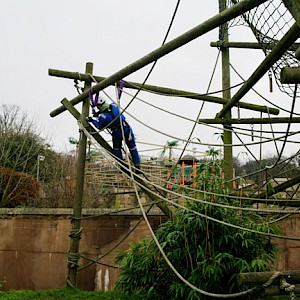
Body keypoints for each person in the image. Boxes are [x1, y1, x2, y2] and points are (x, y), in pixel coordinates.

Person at [86, 94, 141, 171]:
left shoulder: (103, 116)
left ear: (99, 105)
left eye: (98, 106)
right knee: (132, 148)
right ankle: (137, 166)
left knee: (117, 149)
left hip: (117, 133)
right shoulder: (113, 106)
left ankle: (123, 166)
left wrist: (92, 120)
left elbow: (99, 126)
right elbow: (110, 112)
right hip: (126, 128)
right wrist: (98, 114)